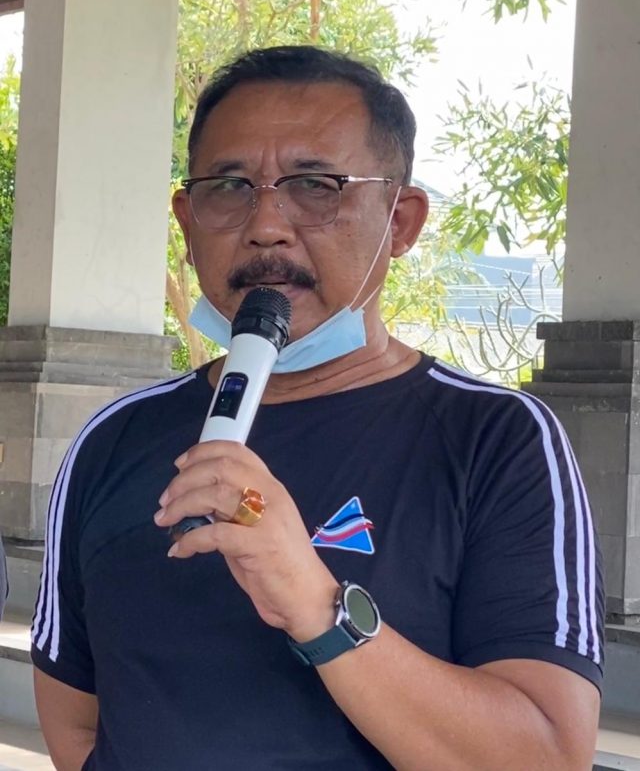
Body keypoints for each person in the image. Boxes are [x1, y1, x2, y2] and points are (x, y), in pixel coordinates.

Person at [31, 45, 604, 771]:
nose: (266, 225)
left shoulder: (499, 440)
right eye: (229, 187)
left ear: (400, 221)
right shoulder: (114, 438)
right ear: (186, 220)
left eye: (315, 185)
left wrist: (314, 600)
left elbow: (547, 756)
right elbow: (77, 728)